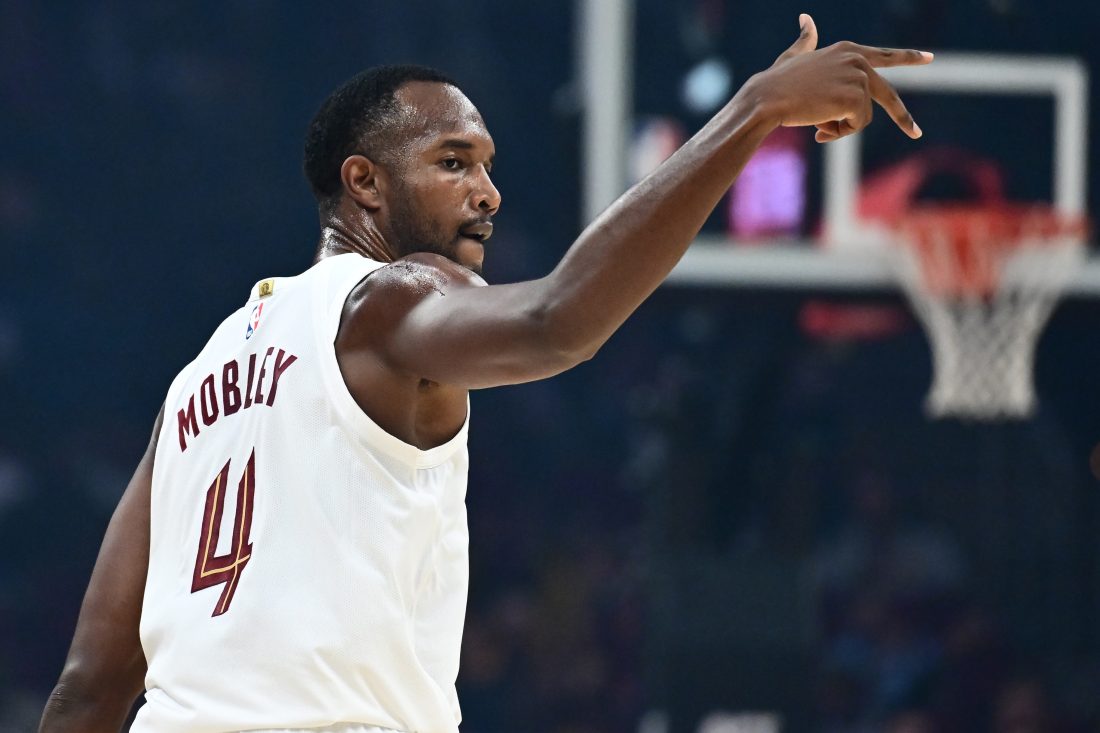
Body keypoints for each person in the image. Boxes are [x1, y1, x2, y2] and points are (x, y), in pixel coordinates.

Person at [39, 14, 931, 733]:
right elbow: (557, 322)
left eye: (490, 166)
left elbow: (89, 686)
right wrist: (753, 111)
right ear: (365, 185)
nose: (489, 192)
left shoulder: (198, 379)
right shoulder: (386, 300)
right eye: (453, 162)